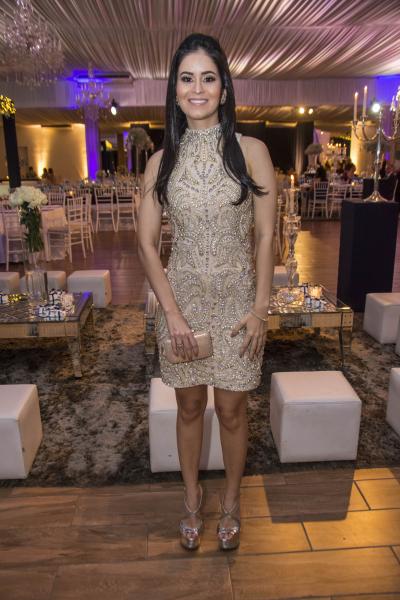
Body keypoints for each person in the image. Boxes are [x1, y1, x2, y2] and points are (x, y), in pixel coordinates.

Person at [137, 33, 276, 551]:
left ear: (224, 88)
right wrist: (171, 314)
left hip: (239, 305)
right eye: (187, 78)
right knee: (190, 407)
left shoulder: (252, 152)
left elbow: (267, 236)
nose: (197, 88)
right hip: (184, 306)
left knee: (234, 411)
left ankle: (232, 502)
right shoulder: (160, 163)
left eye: (208, 78)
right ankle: (193, 498)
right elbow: (146, 244)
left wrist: (260, 309)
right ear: (175, 90)